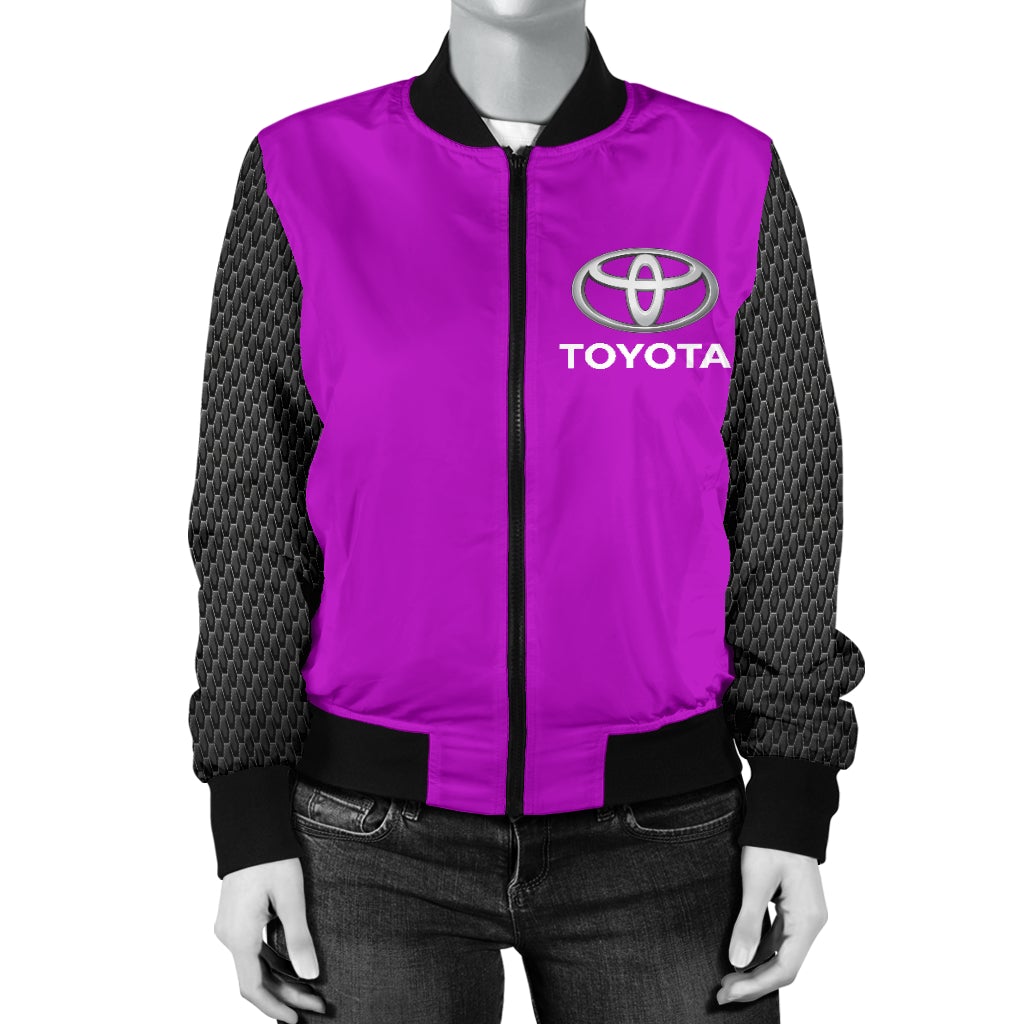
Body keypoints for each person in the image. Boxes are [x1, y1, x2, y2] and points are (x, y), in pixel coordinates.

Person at [187, 3, 866, 1021]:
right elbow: (250, 505)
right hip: (369, 839)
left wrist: (792, 795)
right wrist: (246, 817)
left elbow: (789, 494)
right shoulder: (303, 172)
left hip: (668, 836)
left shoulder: (725, 175)